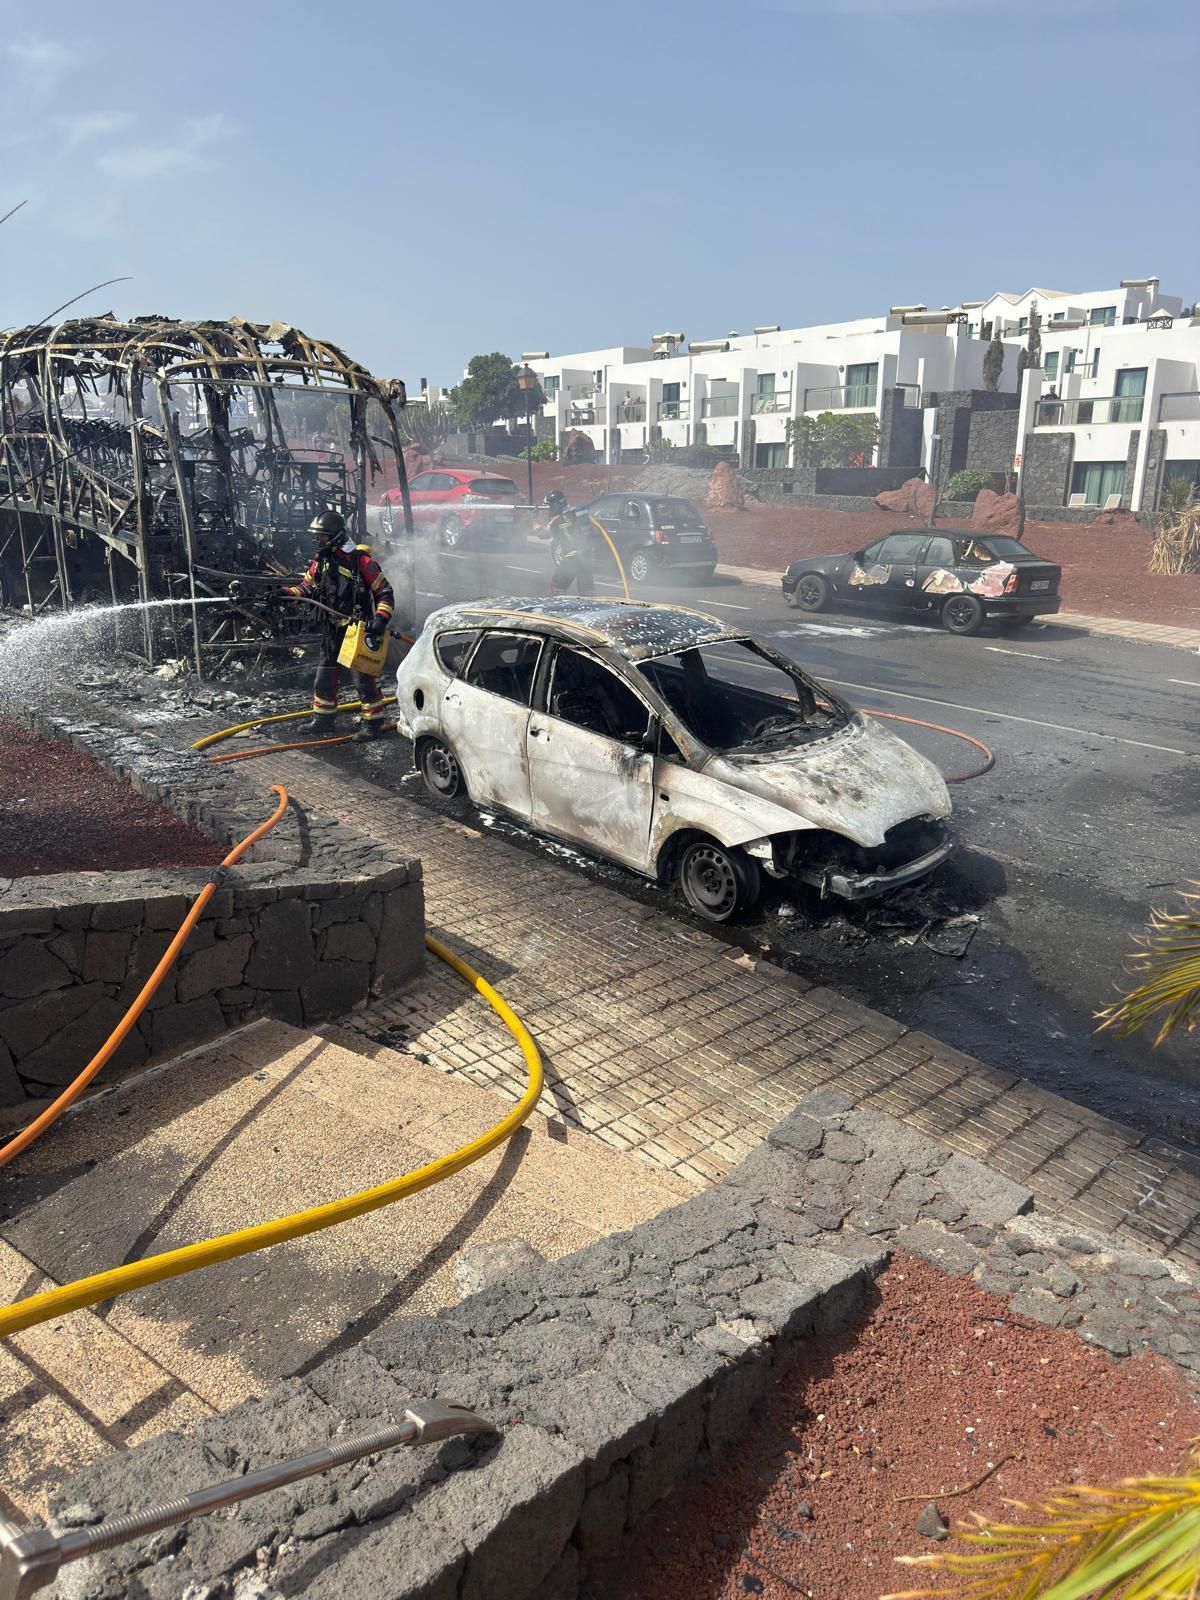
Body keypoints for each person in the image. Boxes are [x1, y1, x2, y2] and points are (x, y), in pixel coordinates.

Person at [286, 510, 395, 741]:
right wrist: (284, 593)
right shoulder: (321, 562)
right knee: (324, 677)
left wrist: (380, 619)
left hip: (357, 630)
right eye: (317, 536)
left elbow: (384, 592)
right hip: (332, 629)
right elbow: (305, 588)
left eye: (322, 536)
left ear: (335, 537)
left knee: (363, 680)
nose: (318, 541)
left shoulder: (361, 561)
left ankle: (373, 724)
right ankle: (323, 720)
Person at [548, 505, 596, 597]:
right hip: (585, 559)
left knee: (557, 589)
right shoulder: (578, 515)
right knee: (588, 592)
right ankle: (590, 604)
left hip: (570, 560)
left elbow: (542, 533)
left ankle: (559, 605)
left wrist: (534, 520)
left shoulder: (556, 520)